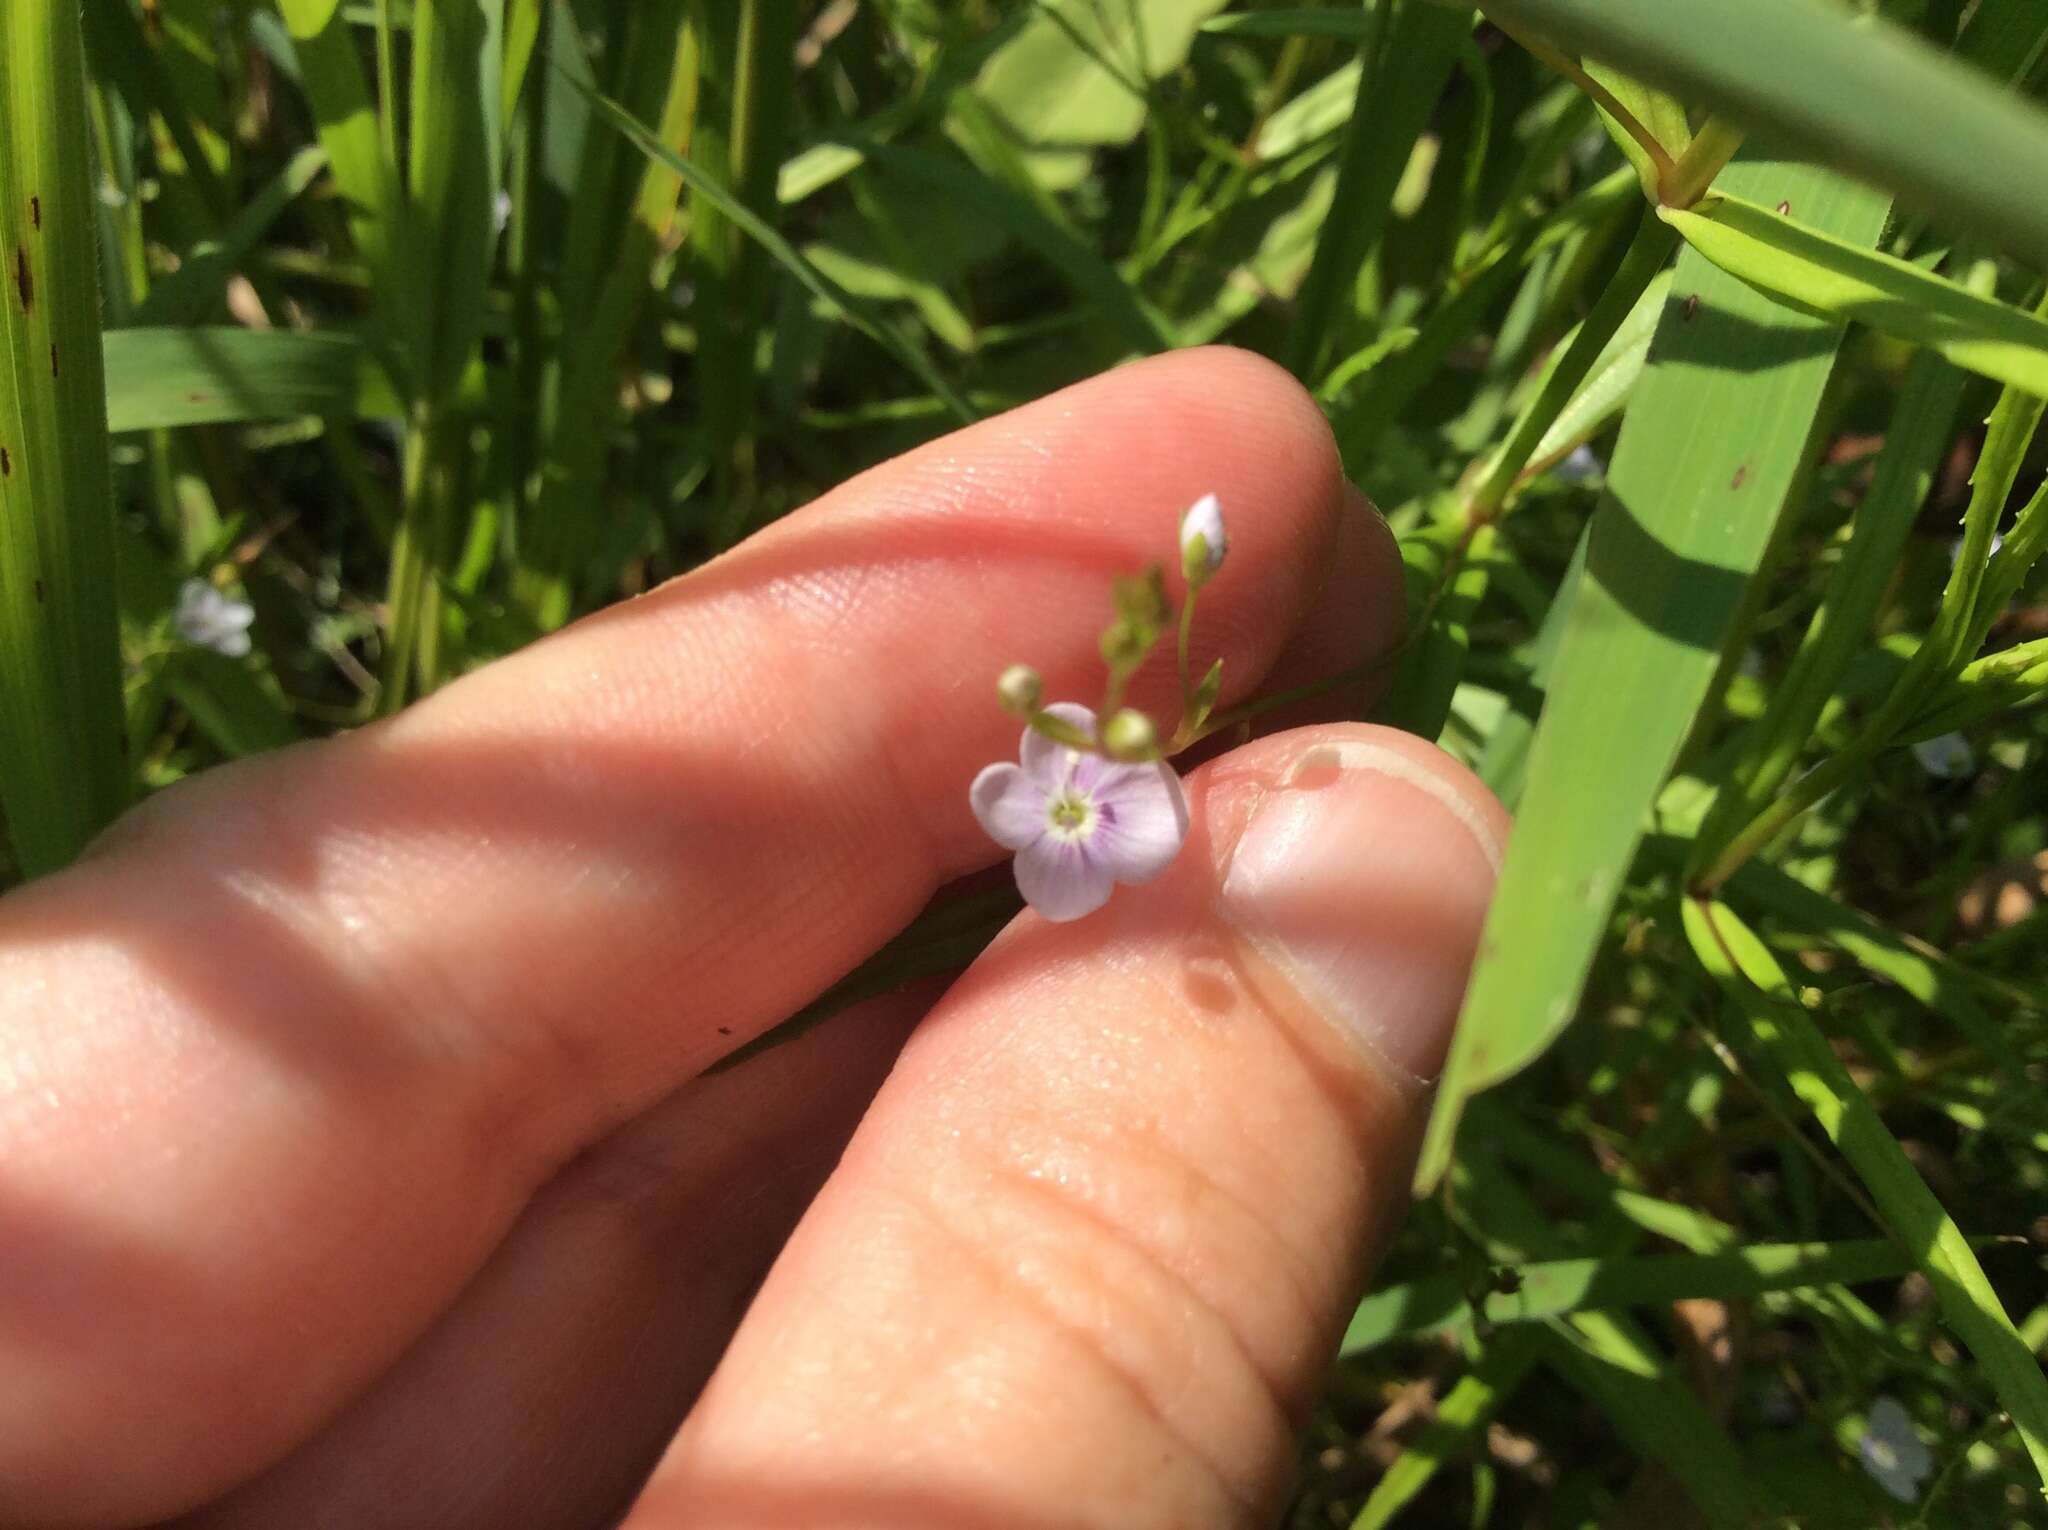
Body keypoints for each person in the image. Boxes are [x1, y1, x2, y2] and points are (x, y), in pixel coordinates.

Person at [0, 349, 1507, 1529]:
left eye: (1066, 795)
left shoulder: (1085, 785)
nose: (1053, 805)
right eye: (1052, 795)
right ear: (1049, 782)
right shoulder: (1053, 783)